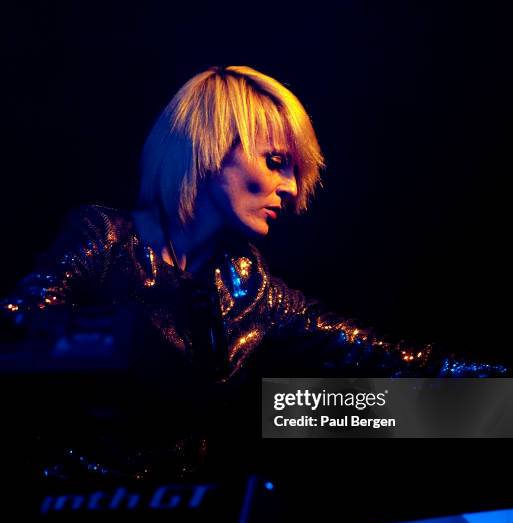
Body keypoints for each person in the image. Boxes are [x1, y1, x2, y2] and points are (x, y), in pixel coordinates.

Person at [1, 65, 507, 480]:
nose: (289, 189)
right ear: (210, 145)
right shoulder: (105, 237)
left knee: (327, 412)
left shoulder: (251, 287)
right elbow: (18, 329)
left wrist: (496, 397)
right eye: (275, 161)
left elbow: (383, 360)